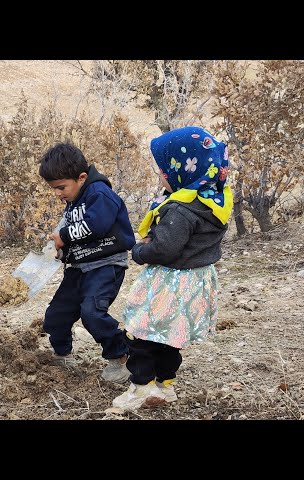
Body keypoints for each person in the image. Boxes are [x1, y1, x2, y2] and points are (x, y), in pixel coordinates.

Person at [111, 126, 232, 411]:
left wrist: (139, 251)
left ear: (183, 170)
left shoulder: (180, 210)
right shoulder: (214, 199)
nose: (161, 177)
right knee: (170, 338)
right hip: (196, 282)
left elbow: (164, 249)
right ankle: (165, 386)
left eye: (163, 171)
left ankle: (141, 388)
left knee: (142, 334)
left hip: (171, 283)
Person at [39, 142, 136, 383]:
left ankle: (122, 356)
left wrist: (65, 237)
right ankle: (62, 355)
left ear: (81, 177)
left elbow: (96, 226)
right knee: (56, 315)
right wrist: (60, 250)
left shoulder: (100, 194)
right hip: (80, 267)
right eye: (53, 188)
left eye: (61, 187)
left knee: (92, 313)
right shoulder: (73, 202)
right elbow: (70, 230)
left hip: (106, 265)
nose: (57, 194)